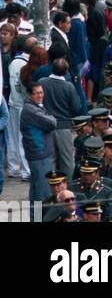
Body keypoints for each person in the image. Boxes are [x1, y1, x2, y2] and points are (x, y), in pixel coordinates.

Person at [21, 81, 57, 212]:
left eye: (41, 92)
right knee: (43, 192)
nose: (40, 95)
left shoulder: (35, 107)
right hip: (39, 155)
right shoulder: (31, 110)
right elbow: (52, 123)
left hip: (38, 154)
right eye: (36, 93)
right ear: (29, 95)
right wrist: (51, 118)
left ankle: (34, 217)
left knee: (36, 189)